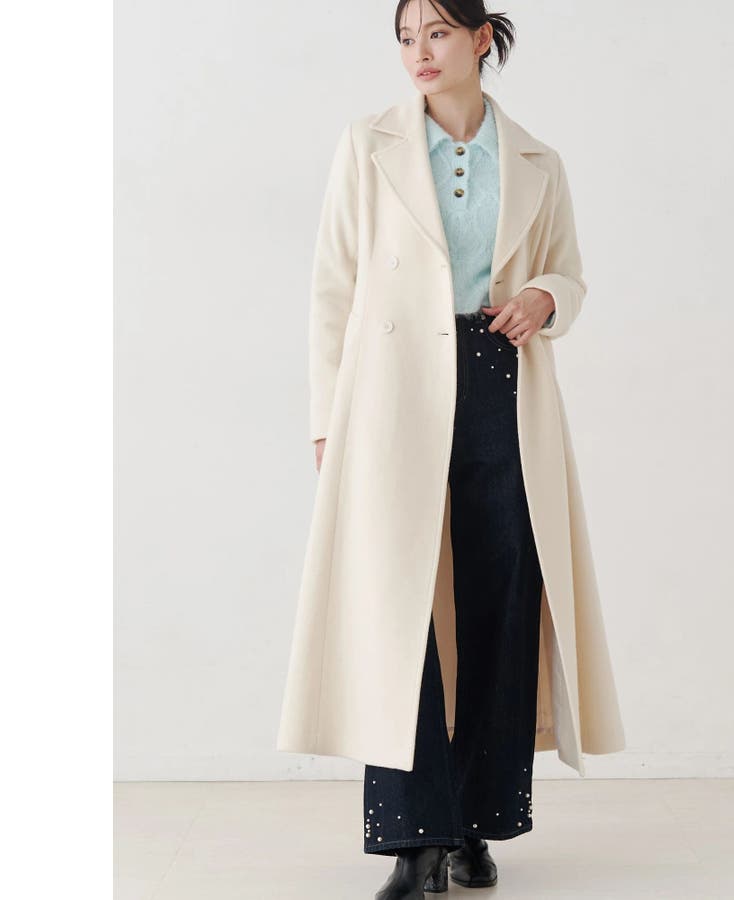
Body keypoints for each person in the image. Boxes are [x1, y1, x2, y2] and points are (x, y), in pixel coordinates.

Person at [276, 2, 627, 897]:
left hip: (502, 383)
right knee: (397, 612)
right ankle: (415, 842)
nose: (418, 53)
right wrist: (327, 420)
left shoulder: (538, 161)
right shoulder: (369, 145)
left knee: (500, 604)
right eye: (405, 38)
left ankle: (476, 825)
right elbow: (333, 285)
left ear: (479, 39)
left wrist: (545, 297)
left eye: (435, 33)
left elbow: (569, 271)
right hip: (391, 393)